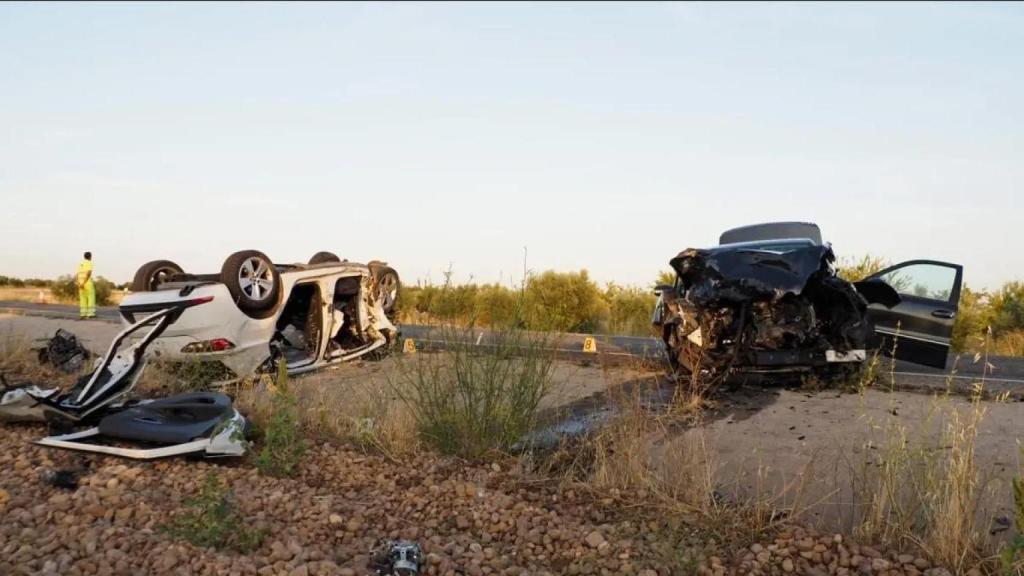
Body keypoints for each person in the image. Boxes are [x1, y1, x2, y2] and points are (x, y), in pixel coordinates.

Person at [77, 252, 96, 320]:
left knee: (83, 299)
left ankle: (83, 314)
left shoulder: (80, 264)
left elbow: (77, 274)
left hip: (80, 283)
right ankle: (90, 314)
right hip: (87, 283)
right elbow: (89, 273)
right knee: (91, 298)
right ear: (90, 257)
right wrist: (84, 282)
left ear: (84, 256)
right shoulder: (89, 263)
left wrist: (79, 283)